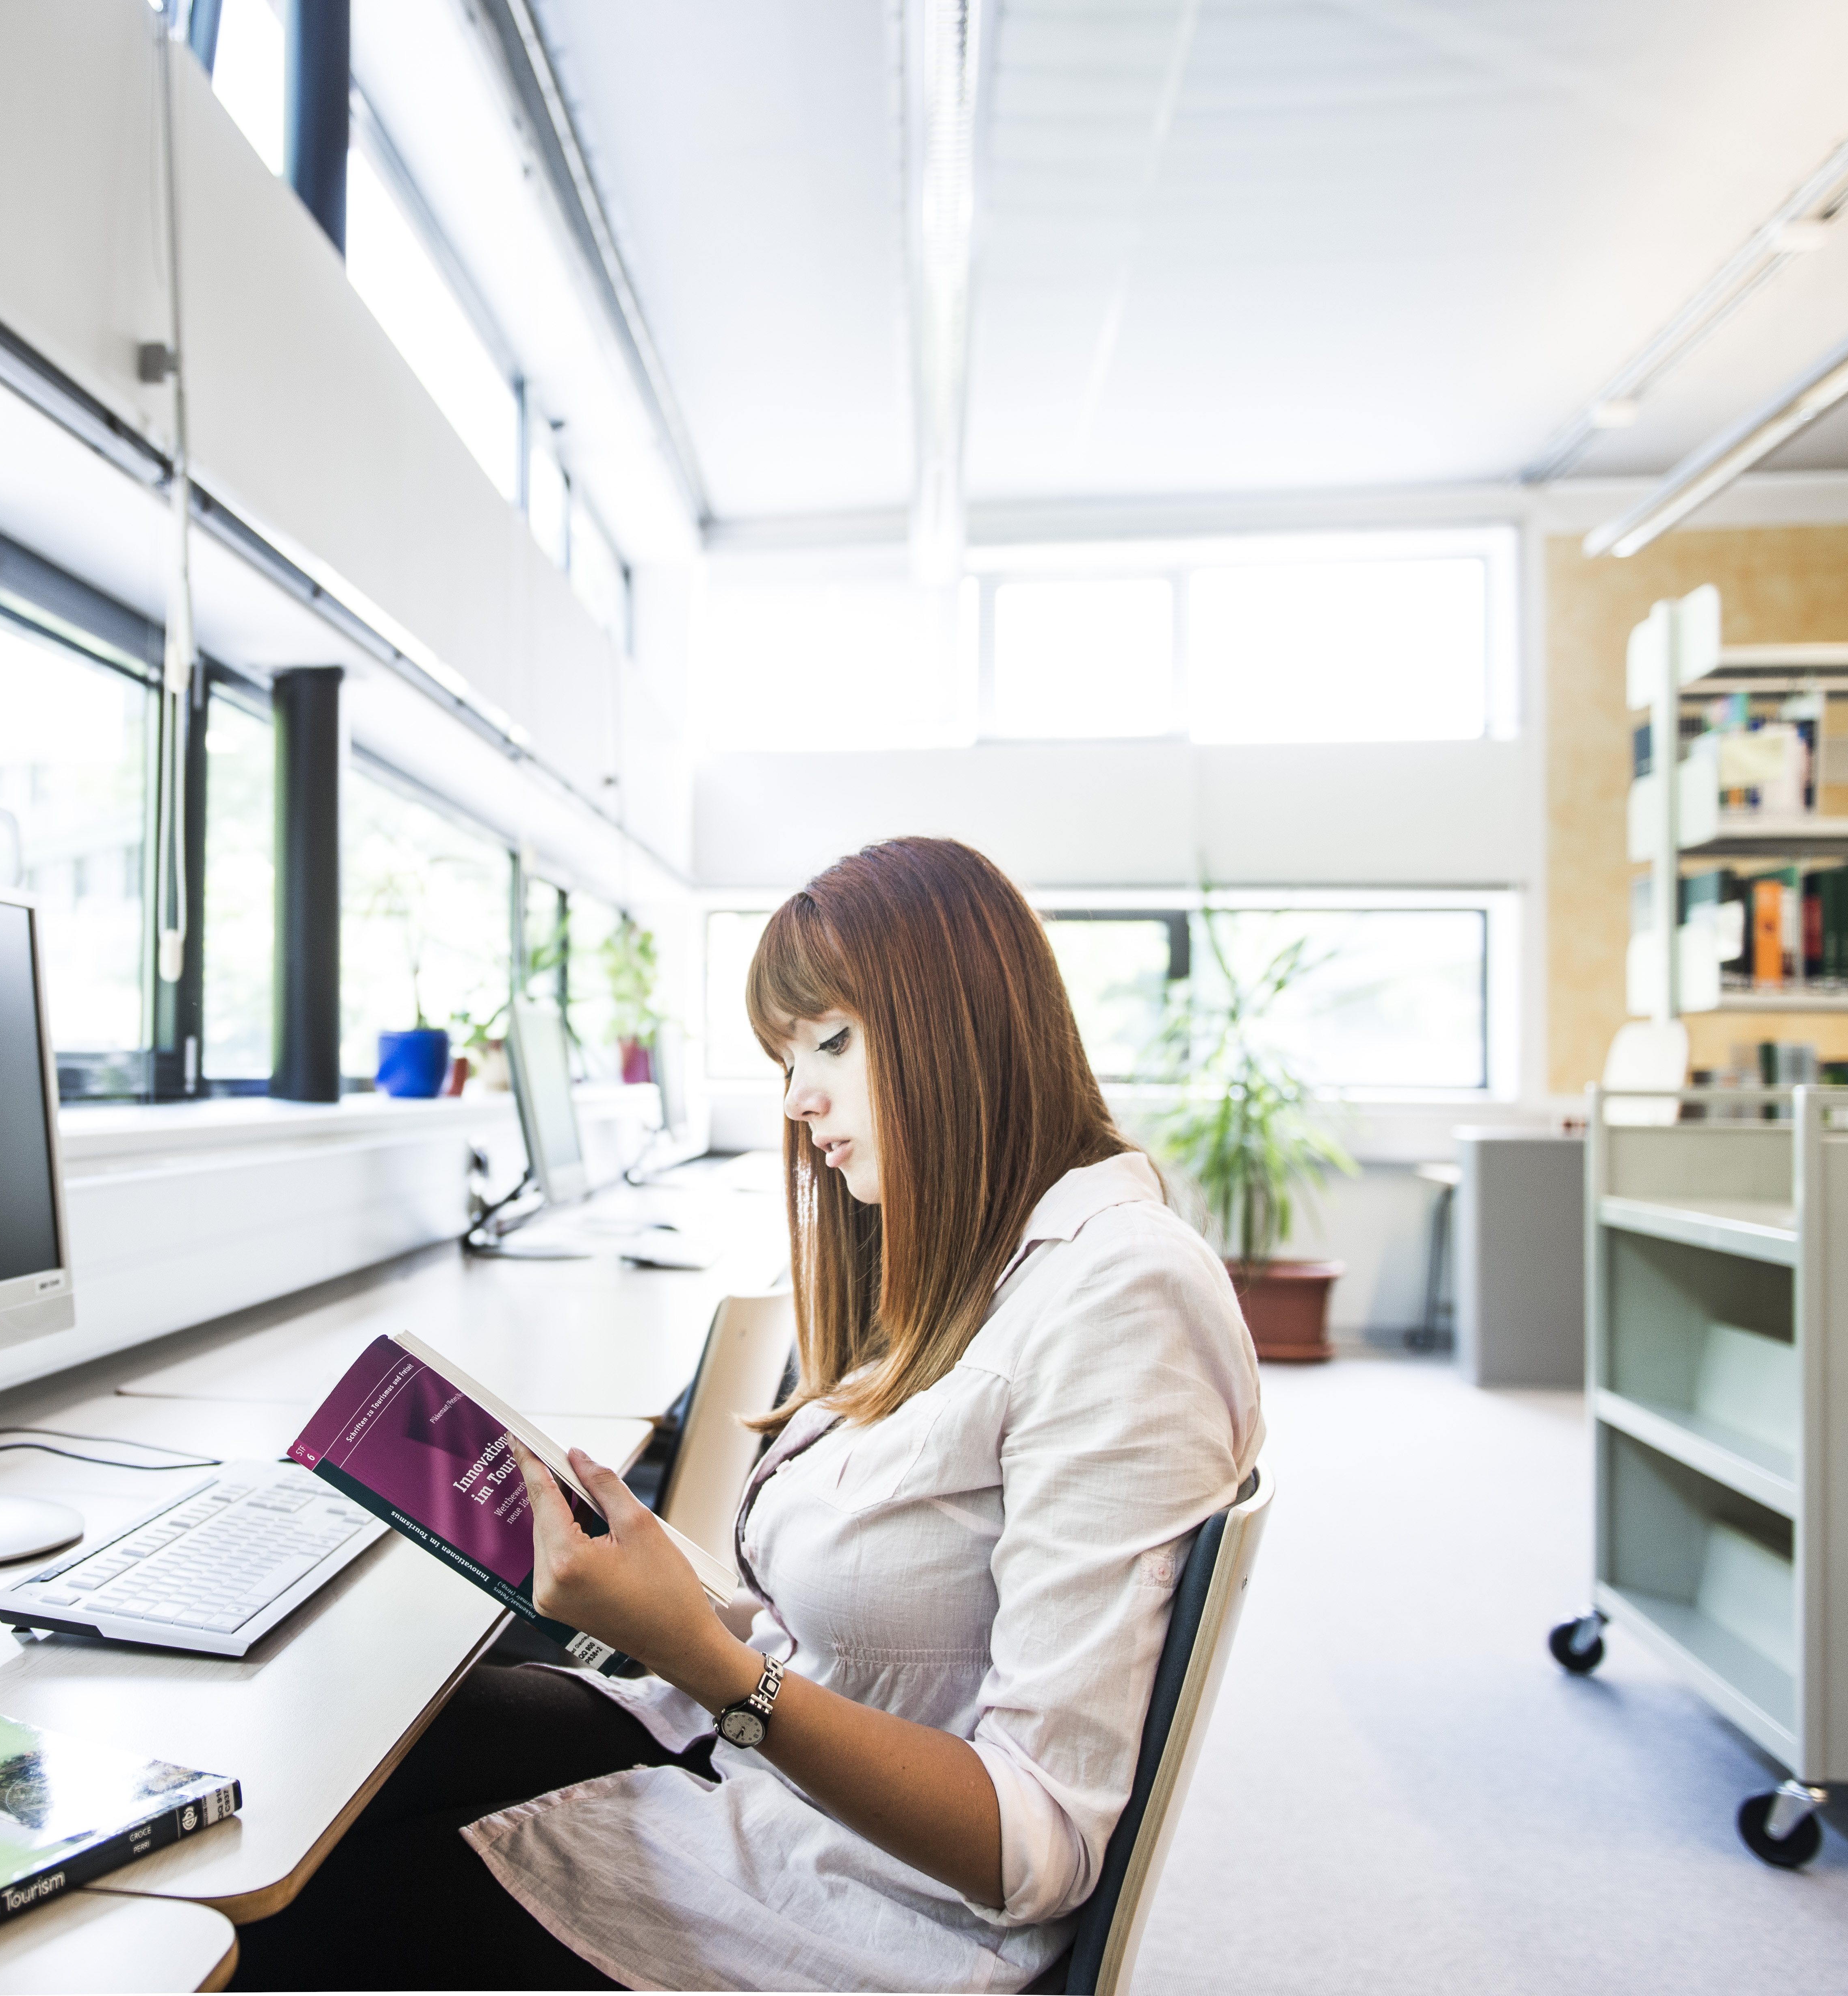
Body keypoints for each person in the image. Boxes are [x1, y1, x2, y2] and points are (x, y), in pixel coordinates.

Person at [231, 837, 1264, 1993]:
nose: (797, 1097)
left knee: (295, 1920)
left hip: (857, 1907)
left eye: (832, 1040)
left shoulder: (1124, 1294)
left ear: (965, 1028)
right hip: (754, 1765)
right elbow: (854, 1622)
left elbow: (1039, 1847)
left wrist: (703, 1657)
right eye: (786, 1056)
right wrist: (671, 1605)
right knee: (341, 1759)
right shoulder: (970, 1266)